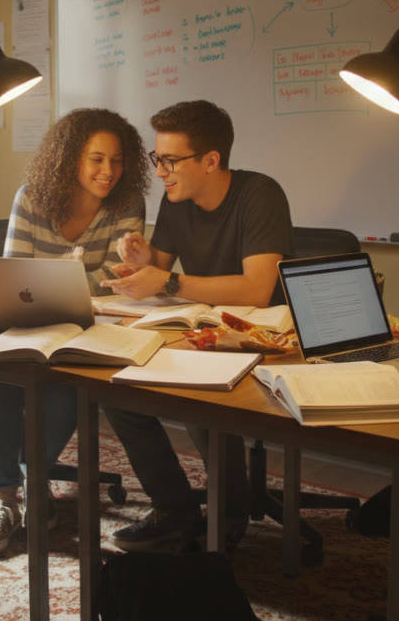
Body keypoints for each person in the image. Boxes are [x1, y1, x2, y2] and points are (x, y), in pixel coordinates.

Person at [100, 99, 292, 553]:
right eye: (157, 158)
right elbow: (162, 274)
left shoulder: (260, 194)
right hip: (202, 328)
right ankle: (175, 507)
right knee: (117, 391)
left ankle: (228, 513)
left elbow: (259, 289)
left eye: (170, 160)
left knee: (196, 390)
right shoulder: (176, 200)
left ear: (210, 161)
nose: (161, 171)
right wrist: (140, 264)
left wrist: (165, 278)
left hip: (266, 335)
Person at [0, 107, 150, 556]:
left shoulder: (126, 204)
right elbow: (15, 274)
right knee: (2, 371)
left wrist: (119, 269)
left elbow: (116, 279)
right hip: (26, 321)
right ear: (71, 157)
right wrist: (69, 278)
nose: (107, 171)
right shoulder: (32, 198)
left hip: (86, 327)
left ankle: (37, 482)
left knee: (72, 382)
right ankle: (4, 497)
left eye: (116, 160)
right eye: (95, 159)